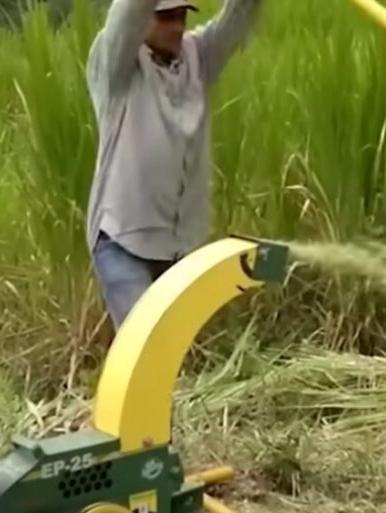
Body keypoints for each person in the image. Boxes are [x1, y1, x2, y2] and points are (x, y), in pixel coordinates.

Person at [85, 0, 264, 330]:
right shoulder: (116, 65)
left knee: (174, 346)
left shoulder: (198, 56)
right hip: (123, 240)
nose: (177, 26)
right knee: (146, 339)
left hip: (181, 247)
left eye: (181, 16)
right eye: (166, 17)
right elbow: (128, 13)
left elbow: (239, 16)